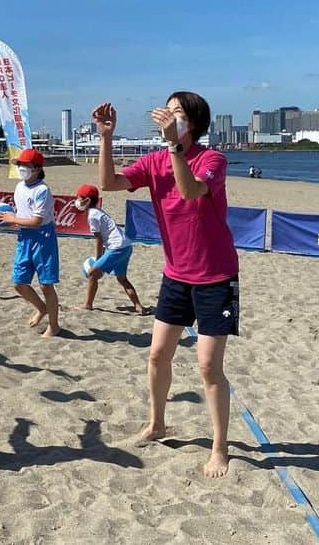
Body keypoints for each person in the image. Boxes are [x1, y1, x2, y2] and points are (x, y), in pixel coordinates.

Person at [93, 94, 239, 479]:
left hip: (216, 275)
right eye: (168, 110)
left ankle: (220, 446)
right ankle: (157, 422)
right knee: (157, 355)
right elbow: (108, 183)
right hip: (176, 274)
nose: (170, 116)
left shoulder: (212, 160)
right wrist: (106, 137)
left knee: (208, 366)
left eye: (178, 113)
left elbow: (191, 190)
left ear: (193, 122)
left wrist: (174, 144)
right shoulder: (155, 160)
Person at [0, 148, 61, 337]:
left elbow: (36, 221)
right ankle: (41, 308)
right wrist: (13, 220)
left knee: (46, 285)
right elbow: (22, 215)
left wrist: (12, 219)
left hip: (43, 238)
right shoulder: (19, 187)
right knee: (19, 283)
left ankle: (54, 325)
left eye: (25, 165)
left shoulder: (42, 190)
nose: (21, 168)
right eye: (20, 165)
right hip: (24, 237)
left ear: (37, 168)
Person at [74, 184, 145, 315]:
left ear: (87, 200)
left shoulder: (92, 215)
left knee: (92, 273)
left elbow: (99, 240)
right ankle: (139, 307)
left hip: (117, 248)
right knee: (122, 279)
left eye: (80, 197)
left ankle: (87, 305)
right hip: (126, 246)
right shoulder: (98, 211)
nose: (77, 200)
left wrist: (98, 260)